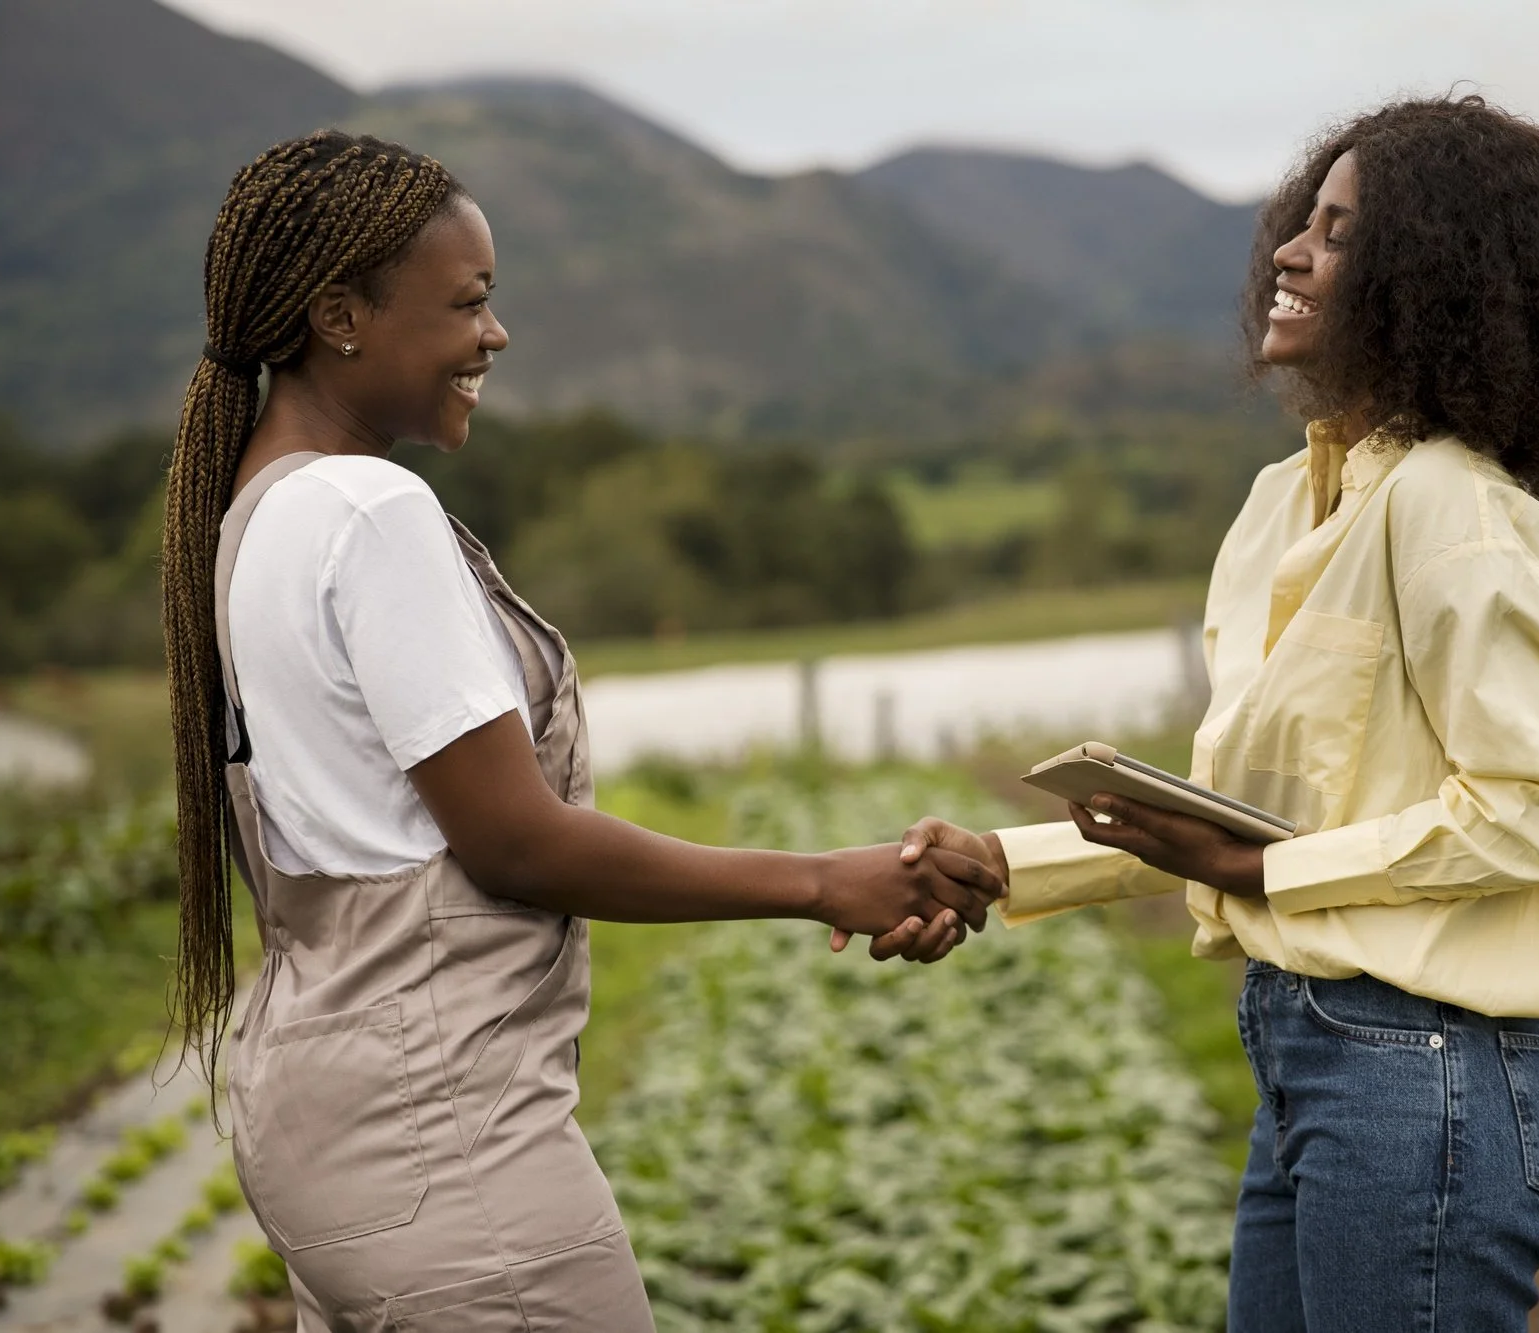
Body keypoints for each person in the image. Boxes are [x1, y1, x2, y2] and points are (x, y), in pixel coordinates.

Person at [160, 130, 1003, 1330]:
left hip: (321, 1119)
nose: (493, 336)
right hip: (440, 1142)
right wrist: (825, 878)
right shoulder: (370, 508)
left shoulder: (256, 511)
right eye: (469, 302)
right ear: (339, 314)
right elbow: (515, 843)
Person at [904, 94, 1539, 1332]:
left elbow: (1535, 811)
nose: (1290, 254)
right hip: (1311, 1064)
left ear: (1435, 283)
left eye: (1340, 234)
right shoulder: (1277, 508)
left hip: (1425, 1085)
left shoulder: (1451, 508)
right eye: (1300, 222)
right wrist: (1004, 863)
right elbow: (1260, 825)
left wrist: (1266, 863)